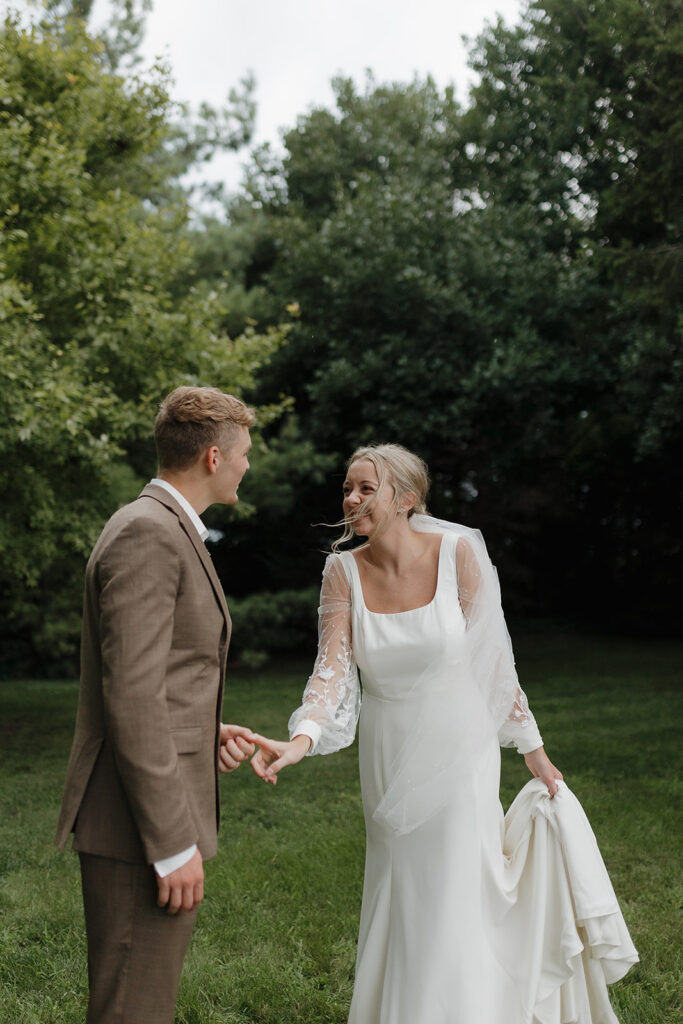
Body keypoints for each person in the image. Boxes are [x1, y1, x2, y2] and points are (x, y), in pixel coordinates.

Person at [249, 443, 639, 1024]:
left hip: (460, 751)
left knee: (457, 885)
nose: (351, 499)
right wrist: (300, 739)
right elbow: (329, 674)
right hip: (388, 755)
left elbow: (494, 664)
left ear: (405, 499)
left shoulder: (458, 553)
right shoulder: (341, 572)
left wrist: (533, 751)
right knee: (405, 892)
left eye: (365, 489)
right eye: (347, 488)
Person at [55, 386, 258, 1024]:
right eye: (246, 453)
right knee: (131, 1010)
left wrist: (205, 725)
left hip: (146, 817)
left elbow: (155, 680)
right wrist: (172, 845)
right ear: (214, 457)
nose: (249, 466)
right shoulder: (148, 534)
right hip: (138, 829)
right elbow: (132, 696)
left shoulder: (163, 527)